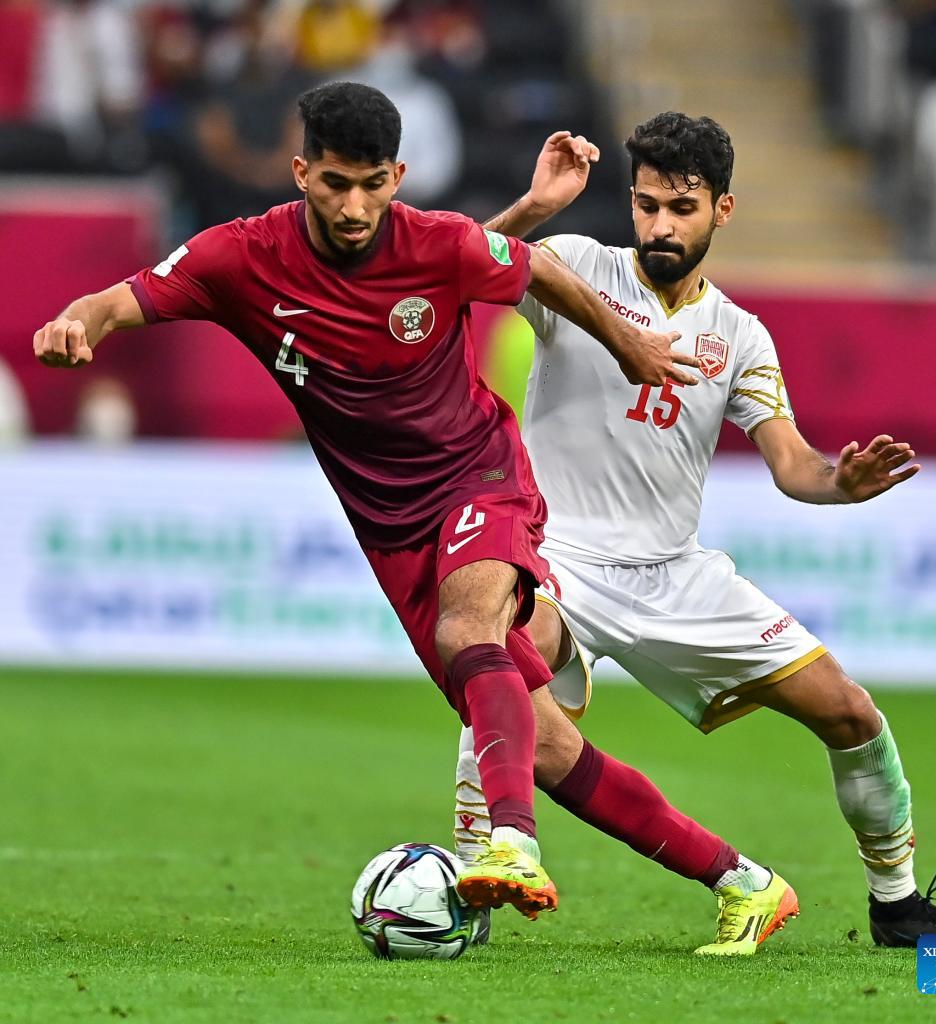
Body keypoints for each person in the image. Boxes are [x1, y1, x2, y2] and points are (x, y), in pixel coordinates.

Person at [32, 82, 704, 924]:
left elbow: (538, 270)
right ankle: (742, 880)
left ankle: (509, 846)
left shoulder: (437, 239)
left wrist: (631, 341)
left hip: (480, 474)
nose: (355, 207)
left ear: (400, 174)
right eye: (336, 183)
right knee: (548, 746)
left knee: (469, 631)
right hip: (388, 526)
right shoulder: (237, 258)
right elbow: (122, 299)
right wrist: (76, 322)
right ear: (301, 171)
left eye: (374, 184)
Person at [453, 113, 936, 951]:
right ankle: (473, 886)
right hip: (558, 559)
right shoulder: (575, 267)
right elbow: (445, 273)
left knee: (851, 714)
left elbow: (793, 464)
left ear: (723, 209)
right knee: (498, 651)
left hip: (675, 573)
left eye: (681, 207)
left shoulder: (740, 336)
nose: (660, 226)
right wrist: (530, 206)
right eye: (645, 206)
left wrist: (838, 483)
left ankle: (895, 906)